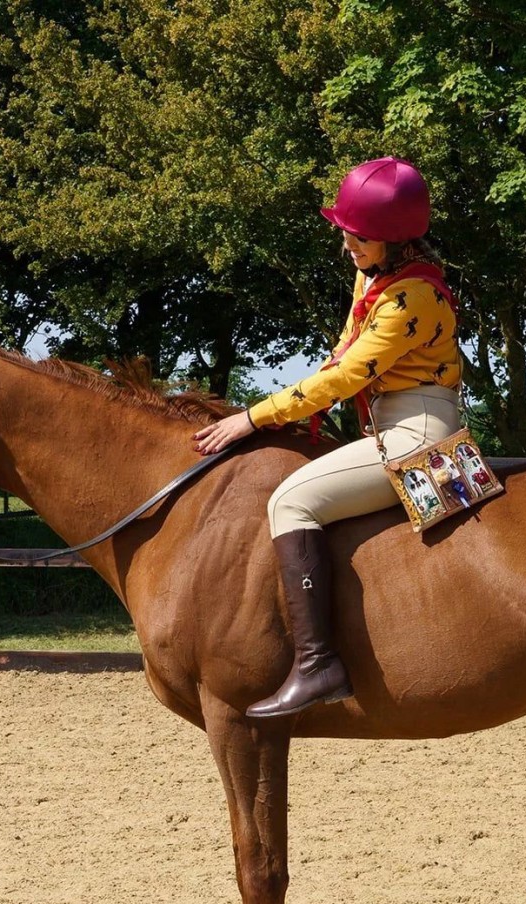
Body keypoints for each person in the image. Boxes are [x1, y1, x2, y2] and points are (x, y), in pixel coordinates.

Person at [192, 156, 462, 718]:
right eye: (345, 234)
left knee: (291, 501)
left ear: (392, 238)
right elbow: (341, 352)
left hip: (418, 430)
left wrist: (254, 416)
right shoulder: (375, 278)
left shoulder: (413, 298)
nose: (347, 247)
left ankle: (318, 665)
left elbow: (344, 377)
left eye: (358, 238)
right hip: (389, 419)